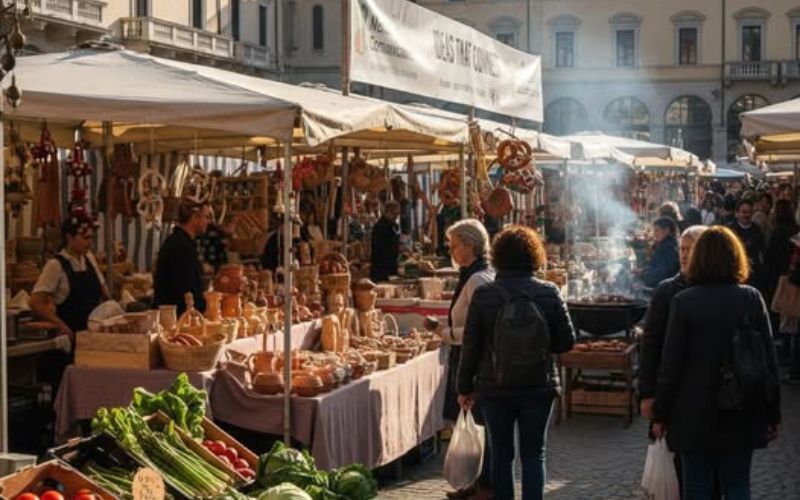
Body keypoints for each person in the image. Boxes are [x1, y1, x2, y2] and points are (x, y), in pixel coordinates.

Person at [652, 226, 781, 500]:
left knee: (696, 487)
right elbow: (769, 363)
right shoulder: (751, 298)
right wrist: (773, 414)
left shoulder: (684, 302)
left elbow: (670, 367)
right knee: (737, 485)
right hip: (743, 408)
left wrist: (660, 413)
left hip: (694, 412)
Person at [458, 225, 575, 500]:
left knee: (502, 455)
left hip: (494, 387)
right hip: (538, 385)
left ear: (497, 256)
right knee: (534, 454)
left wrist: (464, 387)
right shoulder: (549, 292)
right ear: (535, 255)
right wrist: (539, 344)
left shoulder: (484, 294)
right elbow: (567, 341)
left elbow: (471, 345)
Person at [426, 220, 495, 499]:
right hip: (469, 355)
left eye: (454, 245)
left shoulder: (477, 279)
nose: (451, 251)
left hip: (474, 358)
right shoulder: (475, 275)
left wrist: (444, 332)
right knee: (474, 423)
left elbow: (478, 329)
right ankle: (474, 483)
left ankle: (484, 486)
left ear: (469, 245)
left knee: (479, 424)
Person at [639, 225, 707, 493]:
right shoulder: (666, 291)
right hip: (672, 391)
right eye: (683, 249)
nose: (685, 255)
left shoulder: (717, 289)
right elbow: (651, 345)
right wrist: (647, 393)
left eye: (692, 249)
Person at [30, 217, 110, 338]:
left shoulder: (89, 259)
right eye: (85, 238)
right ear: (69, 238)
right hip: (71, 335)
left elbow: (105, 293)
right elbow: (36, 302)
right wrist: (62, 326)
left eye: (91, 238)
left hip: (93, 335)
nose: (90, 243)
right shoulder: (55, 265)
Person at [153, 200, 210, 315]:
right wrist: (206, 307)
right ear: (195, 218)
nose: (208, 222)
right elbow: (186, 289)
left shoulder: (182, 242)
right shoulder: (180, 246)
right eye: (206, 217)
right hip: (175, 316)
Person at [728, 199, 767, 290]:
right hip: (733, 274)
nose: (747, 215)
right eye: (744, 212)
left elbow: (762, 252)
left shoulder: (757, 230)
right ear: (737, 213)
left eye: (749, 212)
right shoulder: (730, 230)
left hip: (752, 275)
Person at [640, 217, 680, 289]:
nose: (654, 234)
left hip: (663, 288)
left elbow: (662, 274)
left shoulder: (667, 247)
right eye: (654, 230)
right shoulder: (670, 243)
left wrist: (642, 273)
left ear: (667, 230)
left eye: (657, 230)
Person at [370, 200, 401, 282]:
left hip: (391, 268)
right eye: (393, 214)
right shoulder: (380, 227)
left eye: (397, 215)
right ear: (386, 212)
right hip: (381, 270)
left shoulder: (393, 225)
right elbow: (380, 249)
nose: (395, 217)